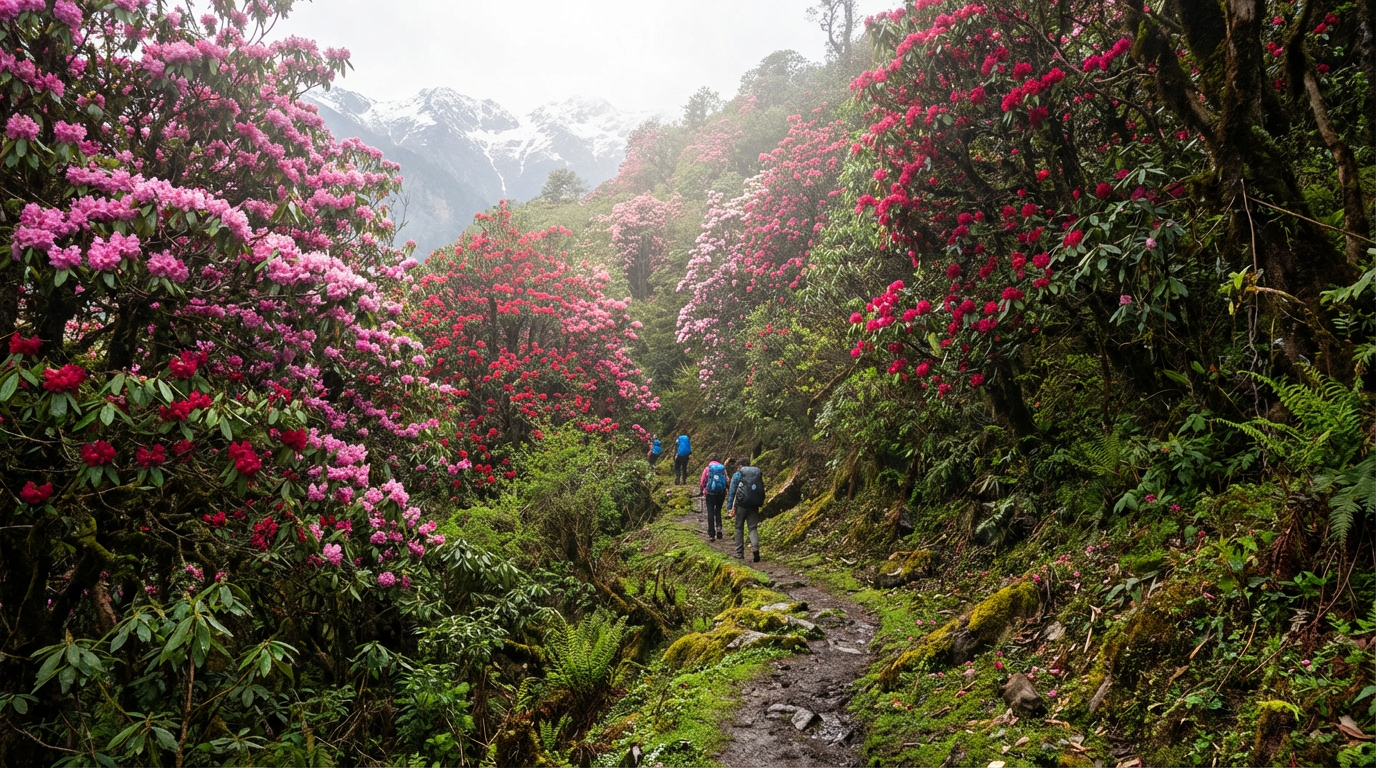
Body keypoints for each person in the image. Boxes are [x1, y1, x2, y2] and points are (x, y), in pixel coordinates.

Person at [728, 457, 766, 562]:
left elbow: (732, 491)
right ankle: (755, 550)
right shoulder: (756, 474)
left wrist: (730, 507)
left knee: (738, 528)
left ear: (740, 466)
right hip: (754, 505)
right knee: (752, 528)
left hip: (741, 505)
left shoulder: (738, 475)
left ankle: (739, 553)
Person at [699, 456, 728, 541]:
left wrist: (702, 489)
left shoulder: (707, 469)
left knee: (710, 512)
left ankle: (711, 534)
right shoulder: (722, 469)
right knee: (718, 510)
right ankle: (719, 528)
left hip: (710, 493)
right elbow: (727, 480)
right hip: (721, 493)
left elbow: (703, 481)